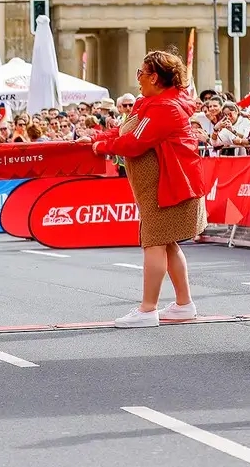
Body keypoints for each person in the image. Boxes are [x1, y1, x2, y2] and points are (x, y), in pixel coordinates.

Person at [87, 50, 206, 328]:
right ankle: (183, 304)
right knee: (167, 243)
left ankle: (147, 309)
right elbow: (122, 132)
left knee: (154, 243)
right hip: (161, 186)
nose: (138, 78)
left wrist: (102, 146)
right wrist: (97, 138)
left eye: (141, 73)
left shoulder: (165, 107)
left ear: (155, 76)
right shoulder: (149, 102)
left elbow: (134, 143)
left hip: (169, 185)